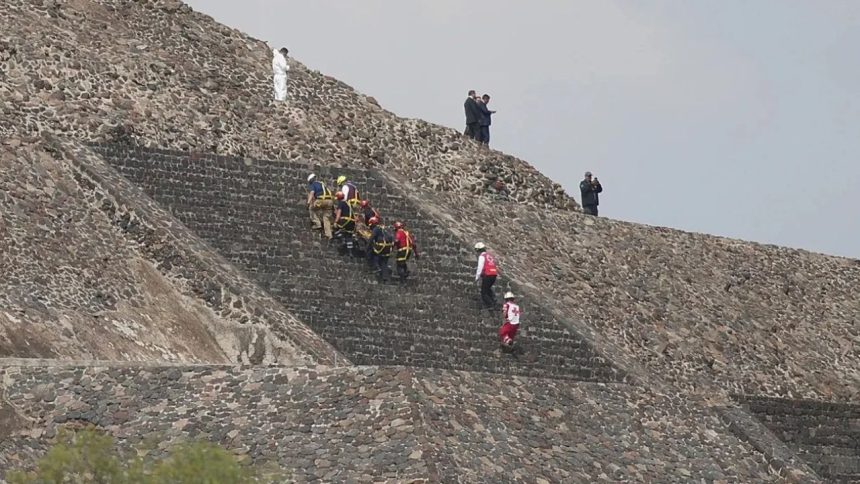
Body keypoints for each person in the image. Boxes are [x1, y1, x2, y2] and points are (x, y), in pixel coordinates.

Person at [306, 173, 334, 239]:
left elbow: (312, 193)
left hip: (321, 200)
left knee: (311, 209)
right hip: (329, 201)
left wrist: (308, 203)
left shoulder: (313, 184)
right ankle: (329, 235)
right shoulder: (322, 184)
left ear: (311, 180)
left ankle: (317, 224)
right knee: (326, 217)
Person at [368, 216, 394, 282]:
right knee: (384, 262)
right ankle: (385, 278)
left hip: (381, 246)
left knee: (374, 254)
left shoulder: (376, 229)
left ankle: (376, 267)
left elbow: (372, 237)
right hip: (388, 248)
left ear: (373, 223)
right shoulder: (385, 228)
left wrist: (368, 246)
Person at [474, 242, 498, 308]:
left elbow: (480, 267)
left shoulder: (482, 256)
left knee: (483, 292)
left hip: (488, 275)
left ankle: (491, 305)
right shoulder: (489, 255)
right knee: (487, 288)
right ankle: (494, 299)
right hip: (494, 274)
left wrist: (477, 277)